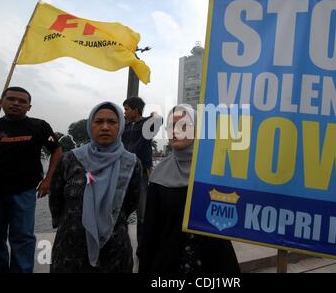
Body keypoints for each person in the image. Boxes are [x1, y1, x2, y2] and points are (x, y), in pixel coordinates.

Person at [139, 104, 240, 274]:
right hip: (168, 266)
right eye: (171, 126)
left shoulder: (217, 169)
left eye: (184, 125)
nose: (175, 130)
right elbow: (151, 231)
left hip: (215, 263)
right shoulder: (159, 174)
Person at [0, 86, 62, 273]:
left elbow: (57, 151)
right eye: (11, 99)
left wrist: (48, 180)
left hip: (24, 192)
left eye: (22, 101)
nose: (16, 103)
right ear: (1, 102)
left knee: (22, 237)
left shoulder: (39, 126)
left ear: (29, 107)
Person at [49, 102, 142, 273]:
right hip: (71, 247)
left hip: (114, 248)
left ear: (120, 125)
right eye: (99, 122)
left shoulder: (132, 163)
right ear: (90, 125)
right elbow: (56, 198)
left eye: (112, 122)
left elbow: (131, 202)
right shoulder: (70, 159)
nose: (105, 127)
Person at [122, 96, 162, 257]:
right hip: (124, 172)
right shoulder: (124, 126)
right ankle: (120, 245)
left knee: (143, 214)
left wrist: (155, 115)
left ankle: (143, 248)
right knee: (119, 212)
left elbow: (159, 120)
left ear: (136, 110)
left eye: (127, 109)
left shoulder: (146, 125)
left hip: (142, 174)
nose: (124, 112)